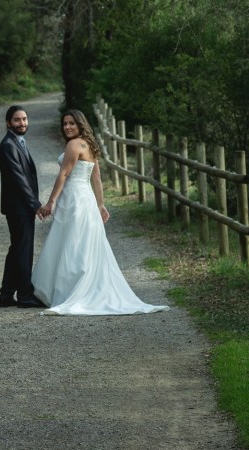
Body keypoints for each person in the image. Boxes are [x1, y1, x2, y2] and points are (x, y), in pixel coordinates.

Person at [32, 110, 169, 315]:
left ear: (80, 124)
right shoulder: (89, 143)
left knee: (71, 243)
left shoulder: (74, 144)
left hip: (74, 198)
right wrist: (100, 204)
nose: (67, 127)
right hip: (86, 198)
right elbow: (96, 178)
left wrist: (51, 202)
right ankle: (79, 288)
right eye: (65, 123)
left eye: (71, 123)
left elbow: (65, 173)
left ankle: (69, 291)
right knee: (81, 242)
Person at [0, 105, 47, 308]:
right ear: (8, 123)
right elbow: (19, 179)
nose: (22, 123)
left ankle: (6, 295)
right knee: (23, 250)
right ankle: (25, 295)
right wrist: (35, 204)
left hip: (21, 206)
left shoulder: (18, 142)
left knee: (17, 249)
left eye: (25, 119)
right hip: (18, 207)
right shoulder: (8, 145)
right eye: (17, 120)